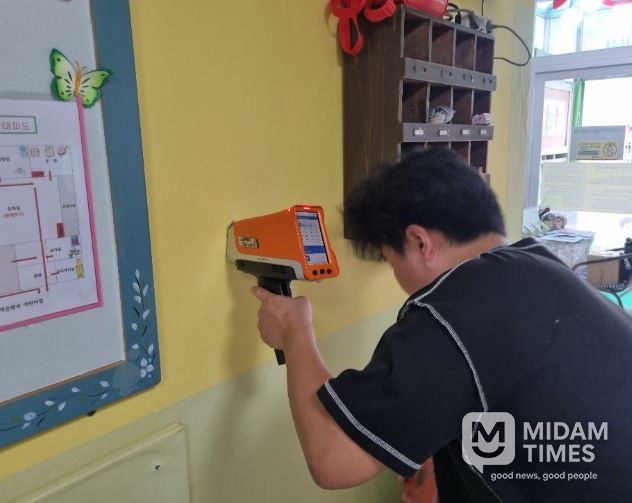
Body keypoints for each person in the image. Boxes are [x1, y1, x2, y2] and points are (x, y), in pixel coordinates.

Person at [251, 148, 632, 502]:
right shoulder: (538, 264)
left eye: (392, 261)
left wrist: (294, 331)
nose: (399, 279)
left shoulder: (454, 308)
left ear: (420, 242)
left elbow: (335, 460)